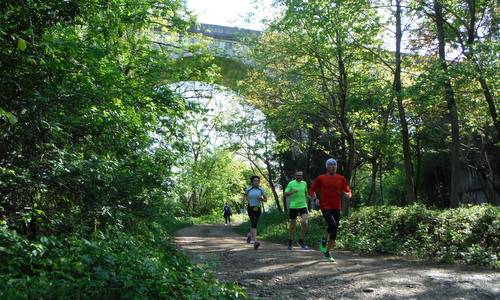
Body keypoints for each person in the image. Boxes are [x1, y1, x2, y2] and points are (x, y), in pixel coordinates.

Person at [309, 158, 352, 262]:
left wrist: (348, 194)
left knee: (334, 230)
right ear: (327, 166)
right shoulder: (321, 178)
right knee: (332, 226)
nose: (333, 166)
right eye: (331, 165)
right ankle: (324, 243)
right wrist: (315, 198)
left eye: (335, 165)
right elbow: (312, 190)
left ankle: (327, 251)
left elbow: (348, 190)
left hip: (337, 207)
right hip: (325, 206)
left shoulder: (341, 178)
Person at [284, 170, 309, 250]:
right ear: (295, 176)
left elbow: (306, 193)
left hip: (303, 206)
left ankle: (301, 240)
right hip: (293, 206)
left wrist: (307, 201)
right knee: (292, 225)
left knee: (304, 222)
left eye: (300, 175)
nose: (299, 177)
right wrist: (292, 192)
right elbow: (285, 194)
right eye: (298, 175)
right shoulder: (291, 183)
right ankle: (290, 241)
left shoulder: (304, 183)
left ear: (302, 176)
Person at [243, 175, 267, 249]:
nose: (256, 182)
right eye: (255, 181)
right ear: (252, 182)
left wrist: (262, 199)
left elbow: (266, 200)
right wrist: (245, 202)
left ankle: (249, 235)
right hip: (250, 208)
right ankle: (255, 241)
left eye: (257, 181)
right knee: (253, 223)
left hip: (258, 208)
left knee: (255, 223)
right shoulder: (248, 189)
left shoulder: (261, 190)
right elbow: (244, 197)